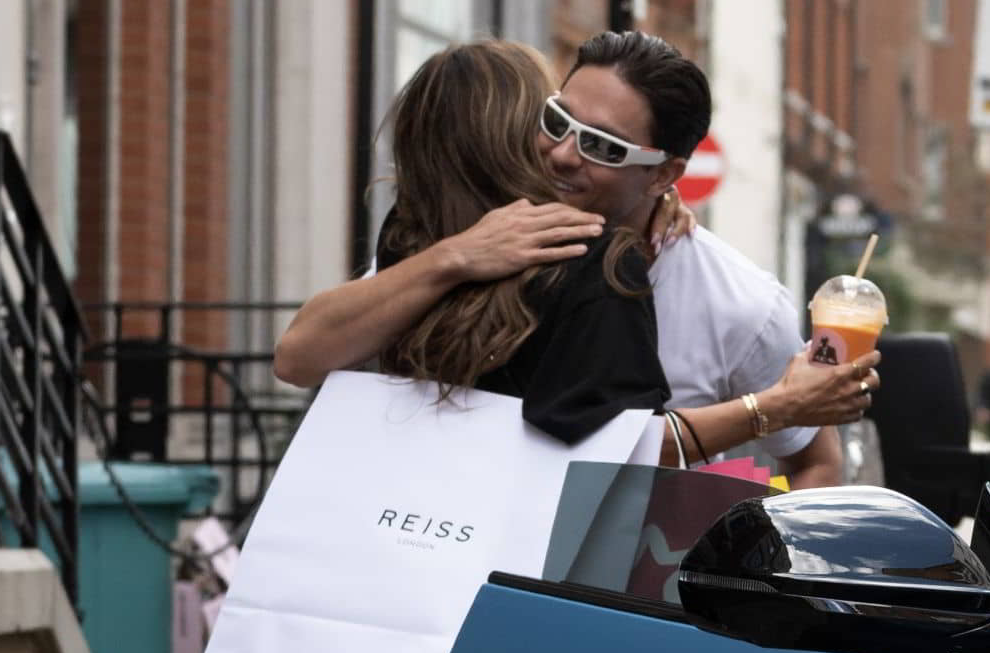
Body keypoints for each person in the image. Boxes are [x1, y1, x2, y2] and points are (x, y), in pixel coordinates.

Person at [320, 38, 672, 653]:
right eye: (550, 120)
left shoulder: (407, 257)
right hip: (539, 636)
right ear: (514, 135)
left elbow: (301, 352)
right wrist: (770, 411)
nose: (560, 146)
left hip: (410, 627)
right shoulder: (595, 265)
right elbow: (608, 455)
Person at [275, 32, 878, 482]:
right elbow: (300, 355)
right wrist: (456, 256)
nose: (562, 155)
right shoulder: (493, 238)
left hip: (629, 602)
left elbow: (812, 461)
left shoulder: (738, 301)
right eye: (556, 119)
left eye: (602, 146)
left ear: (663, 174)